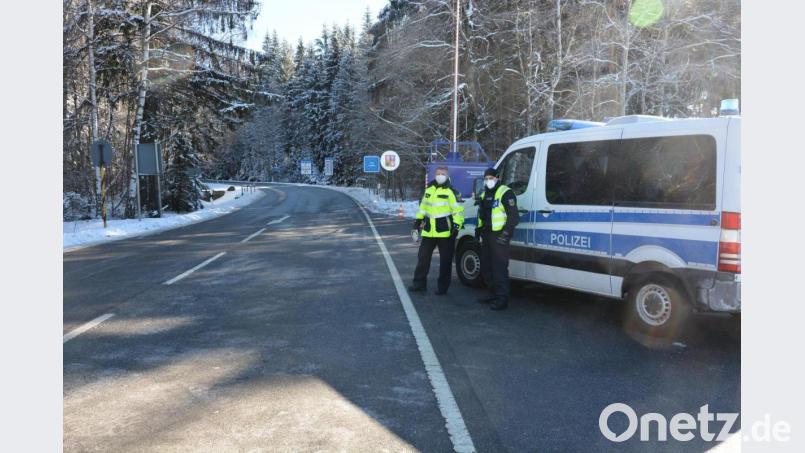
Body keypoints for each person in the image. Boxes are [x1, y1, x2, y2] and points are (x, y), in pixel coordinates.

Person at [409, 166, 465, 295]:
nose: (440, 176)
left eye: (443, 174)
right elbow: (423, 208)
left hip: (446, 232)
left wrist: (456, 227)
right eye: (438, 173)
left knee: (445, 261)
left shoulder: (451, 191)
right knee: (423, 258)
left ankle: (442, 288)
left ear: (447, 176)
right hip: (429, 231)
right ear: (435, 175)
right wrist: (417, 223)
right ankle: (419, 284)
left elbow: (458, 211)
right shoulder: (429, 190)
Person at [475, 167, 519, 310]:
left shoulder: (505, 192)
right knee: (487, 266)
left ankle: (502, 298)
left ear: (497, 178)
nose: (488, 181)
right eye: (486, 179)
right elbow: (482, 215)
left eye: (491, 178)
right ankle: (492, 293)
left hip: (499, 235)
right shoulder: (484, 194)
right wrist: (478, 230)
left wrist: (506, 234)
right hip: (487, 234)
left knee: (499, 268)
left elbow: (513, 216)